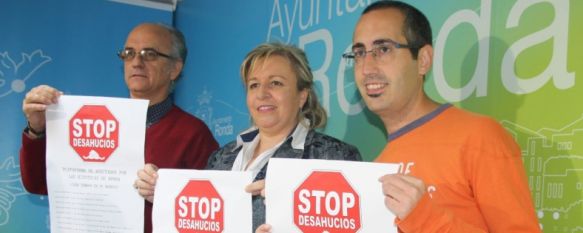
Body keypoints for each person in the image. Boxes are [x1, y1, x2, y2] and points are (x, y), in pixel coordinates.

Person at [257, 1, 541, 233]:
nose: (367, 67)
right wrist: (289, 218)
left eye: (383, 49)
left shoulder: (479, 137)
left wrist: (425, 217)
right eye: (359, 53)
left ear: (424, 60)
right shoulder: (378, 166)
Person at [135, 42, 362, 232]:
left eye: (275, 83)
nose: (262, 93)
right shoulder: (220, 158)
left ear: (302, 95)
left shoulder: (334, 158)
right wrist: (165, 195)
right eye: (254, 85)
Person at [19, 23, 219, 233]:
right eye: (129, 53)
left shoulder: (194, 134)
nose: (136, 62)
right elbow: (37, 184)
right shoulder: (91, 121)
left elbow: (208, 211)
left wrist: (165, 190)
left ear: (174, 69)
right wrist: (37, 129)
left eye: (149, 54)